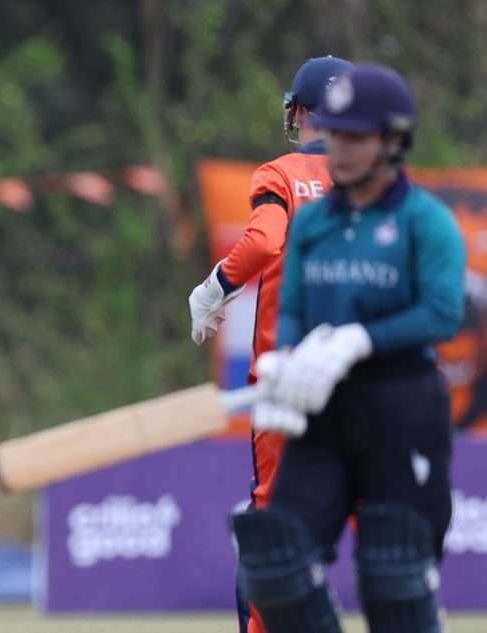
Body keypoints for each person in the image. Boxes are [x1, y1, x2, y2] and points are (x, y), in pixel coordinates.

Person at [232, 64, 466, 633]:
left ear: (392, 141)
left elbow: (442, 313)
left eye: (355, 136)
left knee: (394, 579)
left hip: (401, 408)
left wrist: (363, 340)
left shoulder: (426, 221)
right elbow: (293, 310)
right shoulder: (314, 226)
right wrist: (286, 360)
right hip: (324, 415)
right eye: (334, 133)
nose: (339, 147)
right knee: (278, 562)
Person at [188, 55, 352, 633]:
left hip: (287, 383)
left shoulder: (281, 172)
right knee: (390, 537)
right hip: (363, 381)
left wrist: (214, 288)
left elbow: (261, 242)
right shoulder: (376, 178)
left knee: (275, 529)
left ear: (301, 112)